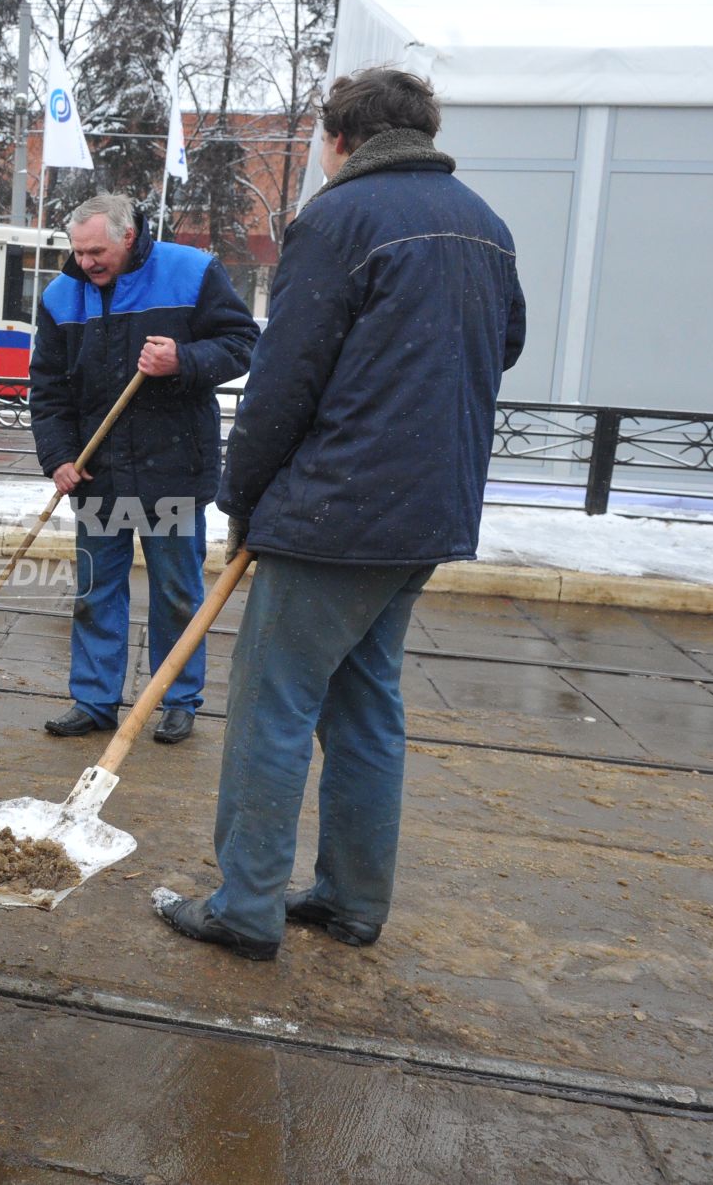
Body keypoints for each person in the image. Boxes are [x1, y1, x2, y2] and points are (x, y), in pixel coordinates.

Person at [156, 68, 526, 961]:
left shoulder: (336, 218)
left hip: (333, 513)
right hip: (428, 513)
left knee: (270, 709)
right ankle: (354, 899)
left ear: (339, 139)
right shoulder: (486, 223)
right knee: (365, 705)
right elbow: (505, 344)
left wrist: (241, 497)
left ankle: (245, 907)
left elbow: (283, 382)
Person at [30, 193, 258, 745]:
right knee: (94, 591)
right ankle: (94, 700)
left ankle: (176, 700)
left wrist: (183, 359)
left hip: (172, 472)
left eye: (96, 251)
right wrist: (58, 457)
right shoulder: (62, 296)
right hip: (97, 475)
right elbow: (49, 388)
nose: (86, 263)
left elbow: (243, 344)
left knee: (178, 592)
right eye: (78, 252)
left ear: (128, 236)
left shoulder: (191, 272)